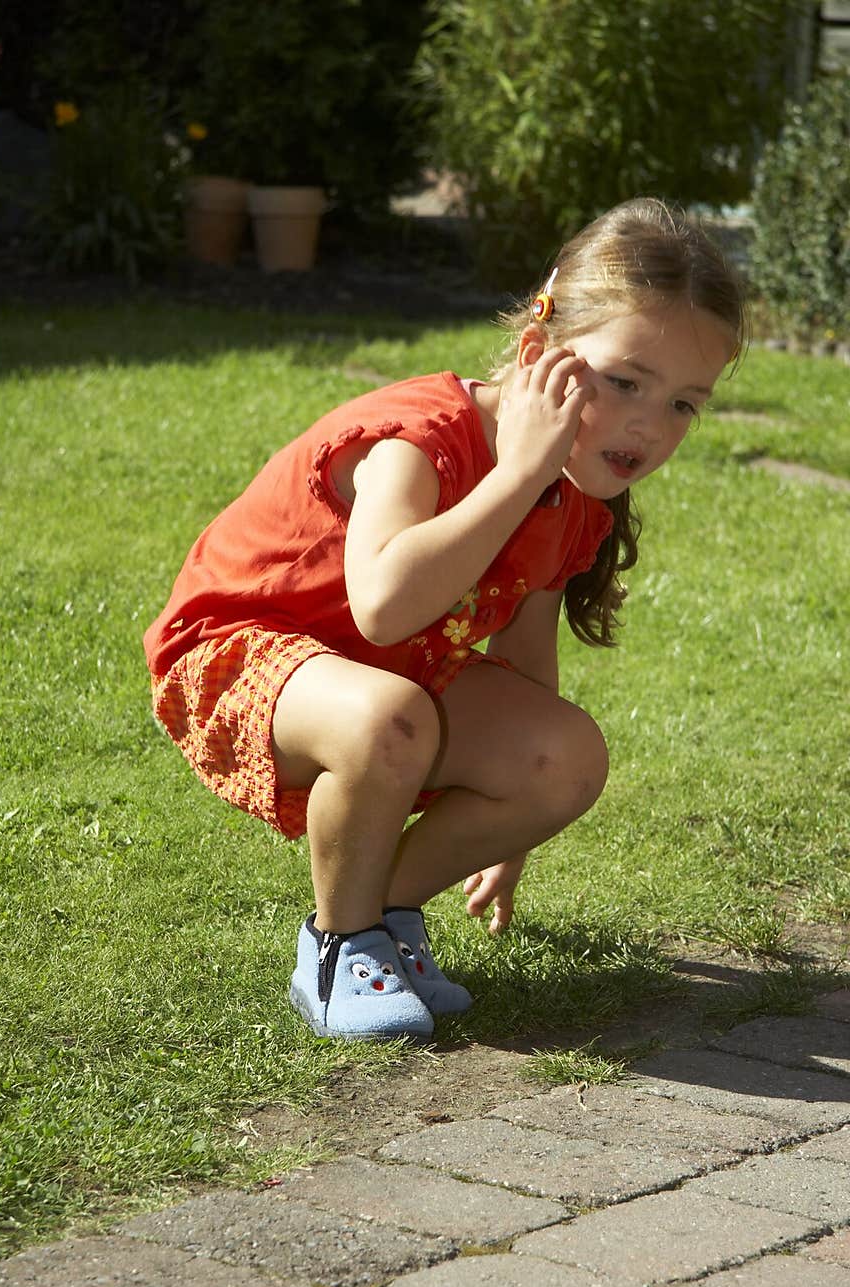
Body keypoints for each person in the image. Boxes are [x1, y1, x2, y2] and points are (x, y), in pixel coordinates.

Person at [143, 197, 747, 1043]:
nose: (650, 424)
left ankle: (386, 916)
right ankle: (337, 944)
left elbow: (526, 668)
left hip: (389, 688)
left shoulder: (570, 507)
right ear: (540, 355)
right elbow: (384, 608)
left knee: (568, 756)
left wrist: (518, 821)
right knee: (389, 718)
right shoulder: (420, 439)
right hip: (235, 659)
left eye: (686, 403)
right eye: (625, 382)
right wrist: (516, 476)